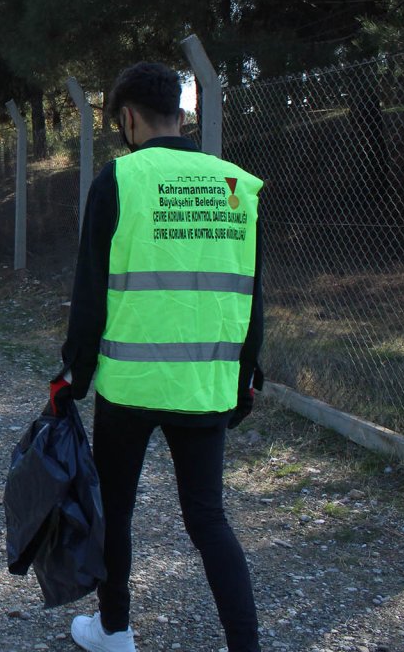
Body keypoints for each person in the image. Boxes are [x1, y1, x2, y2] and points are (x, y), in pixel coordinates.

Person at [57, 62, 263, 652]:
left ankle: (115, 631)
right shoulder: (235, 184)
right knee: (208, 518)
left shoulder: (119, 179)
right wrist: (249, 376)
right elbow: (254, 291)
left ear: (125, 118)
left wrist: (76, 372)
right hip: (206, 386)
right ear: (182, 109)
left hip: (131, 386)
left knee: (115, 510)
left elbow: (90, 288)